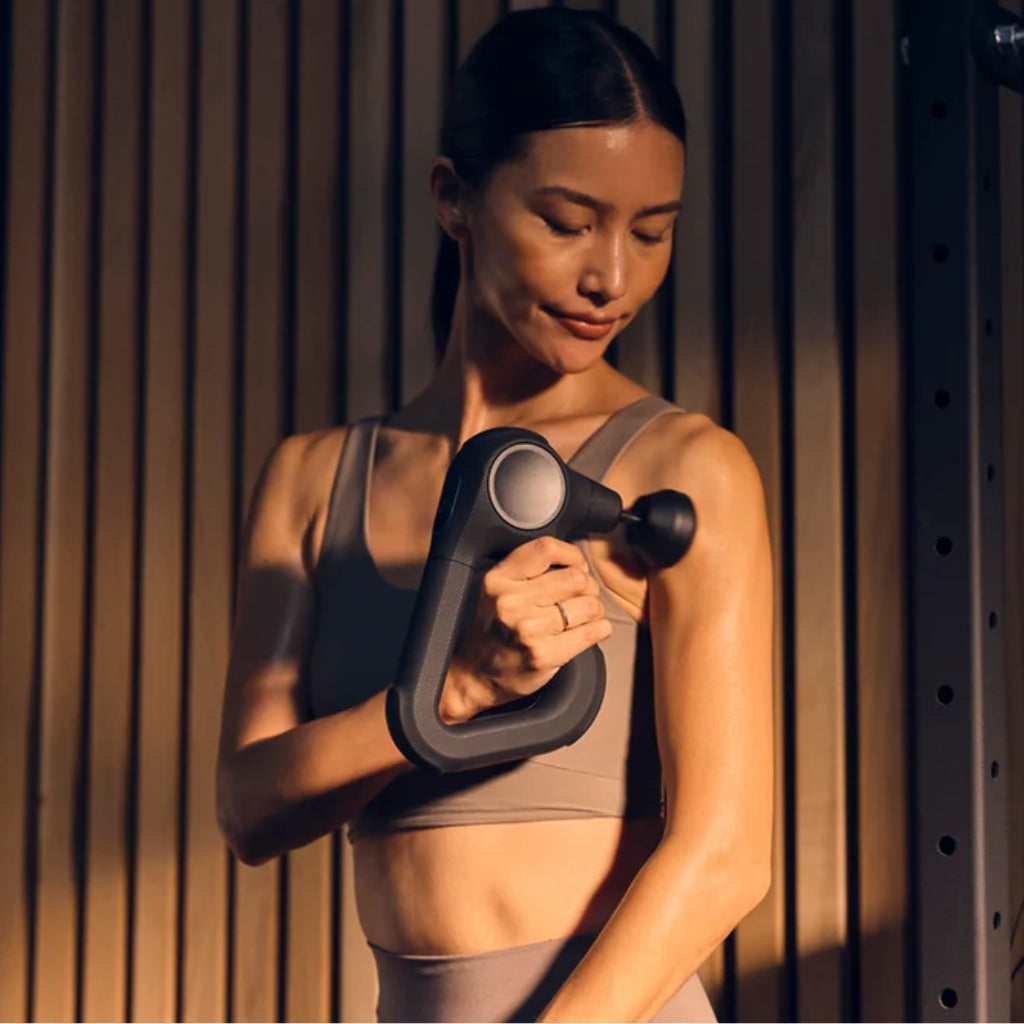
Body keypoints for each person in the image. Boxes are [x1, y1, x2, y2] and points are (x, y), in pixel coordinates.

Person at [215, 7, 773, 1022]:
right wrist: (452, 691)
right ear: (454, 198)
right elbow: (250, 808)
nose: (611, 276)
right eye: (566, 222)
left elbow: (726, 854)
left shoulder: (686, 466)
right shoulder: (313, 479)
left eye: (652, 232)